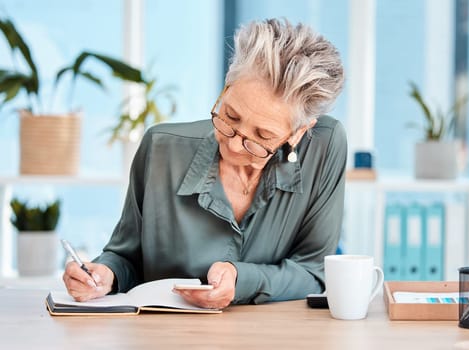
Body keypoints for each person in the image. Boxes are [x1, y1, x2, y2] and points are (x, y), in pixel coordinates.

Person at [62, 18, 346, 309]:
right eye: (231, 117)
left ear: (298, 132)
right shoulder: (160, 149)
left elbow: (315, 272)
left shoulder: (324, 146)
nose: (234, 145)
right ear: (226, 87)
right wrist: (104, 274)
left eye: (262, 137)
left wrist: (242, 279)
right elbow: (126, 258)